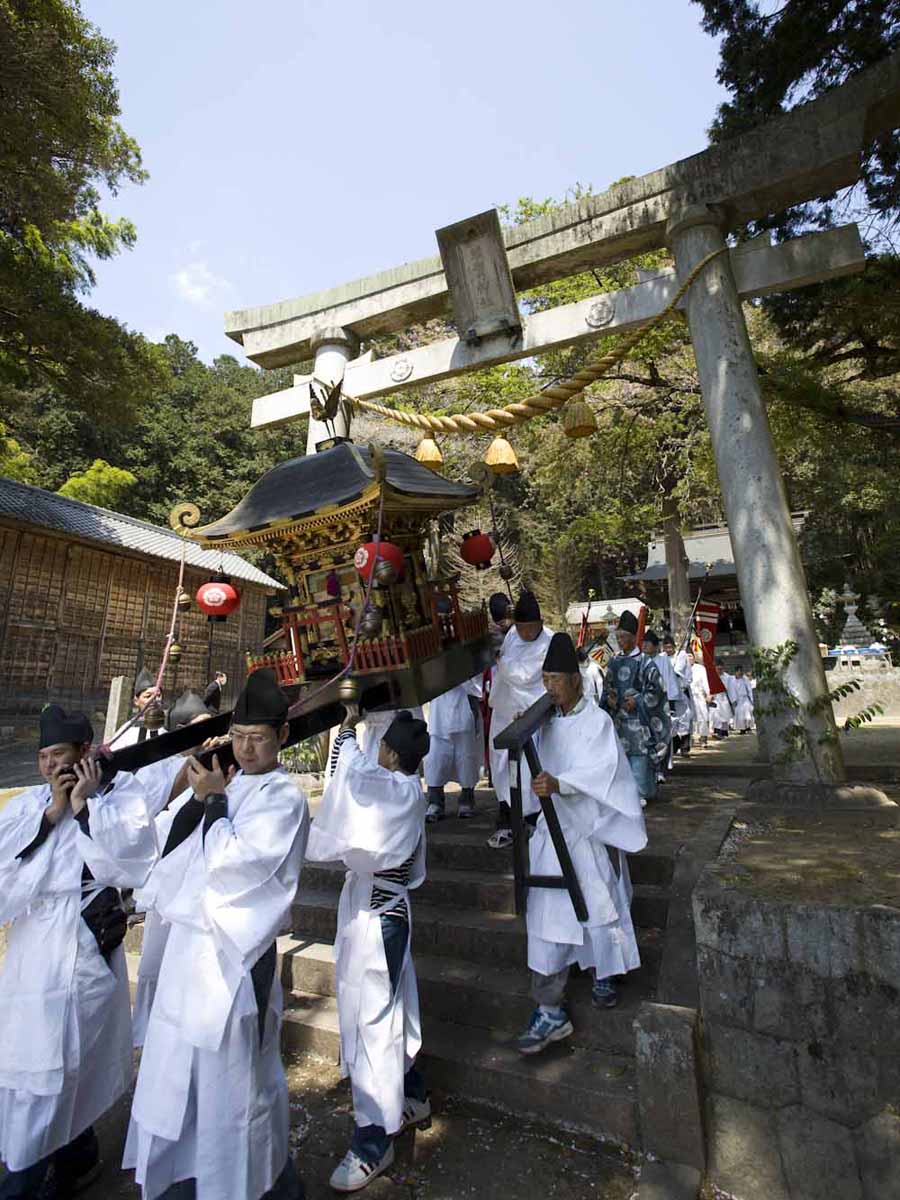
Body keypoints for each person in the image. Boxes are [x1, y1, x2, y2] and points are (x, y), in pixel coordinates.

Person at [123, 669, 309, 1200]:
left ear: (283, 739)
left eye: (259, 739)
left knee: (236, 1087)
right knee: (182, 1076)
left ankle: (261, 1185)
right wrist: (196, 792)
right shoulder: (225, 782)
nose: (247, 750)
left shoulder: (283, 797)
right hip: (189, 953)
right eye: (241, 737)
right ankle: (191, 1177)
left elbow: (237, 864)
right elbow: (166, 851)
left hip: (234, 958)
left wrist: (211, 802)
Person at [0, 706, 157, 1199]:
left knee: (57, 1070)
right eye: (44, 756)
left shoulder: (119, 794)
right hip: (30, 953)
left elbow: (131, 865)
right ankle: (77, 1154)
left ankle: (20, 1183)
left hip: (81, 949)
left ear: (85, 754)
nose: (49, 766)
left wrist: (88, 807)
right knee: (30, 1068)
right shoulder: (27, 806)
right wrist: (52, 815)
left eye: (60, 755)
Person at [307, 709, 431, 1192]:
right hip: (379, 911)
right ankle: (414, 1094)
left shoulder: (397, 791)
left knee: (371, 1022)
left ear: (392, 754)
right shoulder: (405, 789)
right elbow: (361, 775)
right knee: (395, 1008)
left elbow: (355, 774)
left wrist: (343, 731)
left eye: (382, 745)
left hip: (380, 919)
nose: (375, 751)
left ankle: (373, 1140)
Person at [516, 633, 647, 1053]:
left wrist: (563, 784)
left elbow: (604, 772)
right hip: (551, 833)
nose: (550, 687)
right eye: (545, 679)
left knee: (597, 904)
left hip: (587, 829)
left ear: (576, 680)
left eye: (556, 678)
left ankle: (605, 973)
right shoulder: (546, 721)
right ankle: (550, 1009)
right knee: (548, 919)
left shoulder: (597, 722)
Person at [487, 591, 553, 849]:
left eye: (531, 629)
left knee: (532, 768)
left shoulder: (549, 640)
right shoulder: (512, 636)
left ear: (540, 623)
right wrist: (501, 660)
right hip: (505, 712)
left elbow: (524, 675)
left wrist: (501, 662)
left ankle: (535, 820)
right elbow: (505, 672)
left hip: (534, 714)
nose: (526, 634)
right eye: (522, 628)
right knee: (503, 767)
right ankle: (507, 819)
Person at [599, 611, 669, 805]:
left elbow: (656, 690)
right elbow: (608, 687)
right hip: (618, 719)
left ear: (633, 637)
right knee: (620, 757)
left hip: (639, 721)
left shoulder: (645, 662)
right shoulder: (613, 661)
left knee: (639, 756)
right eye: (618, 637)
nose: (620, 641)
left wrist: (637, 701)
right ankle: (624, 795)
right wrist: (609, 699)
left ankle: (641, 792)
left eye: (624, 637)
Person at [424, 675, 484, 821]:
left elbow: (475, 686)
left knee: (466, 757)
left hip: (464, 706)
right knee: (435, 758)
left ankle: (467, 800)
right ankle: (435, 802)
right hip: (439, 711)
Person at [112, 668, 165, 747]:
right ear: (136, 701)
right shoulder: (128, 731)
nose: (154, 700)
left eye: (158, 696)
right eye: (148, 696)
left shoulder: (167, 728)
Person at [663, 635, 694, 757]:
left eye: (670, 647)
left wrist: (673, 671)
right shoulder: (663, 658)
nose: (668, 650)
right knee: (672, 721)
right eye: (666, 648)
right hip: (669, 695)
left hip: (681, 692)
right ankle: (675, 745)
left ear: (674, 647)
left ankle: (685, 747)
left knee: (684, 719)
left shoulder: (681, 655)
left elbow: (679, 671)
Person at [688, 652, 712, 747]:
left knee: (703, 717)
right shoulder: (680, 668)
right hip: (687, 697)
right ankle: (690, 739)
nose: (688, 658)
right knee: (689, 719)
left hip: (699, 696)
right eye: (686, 656)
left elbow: (705, 682)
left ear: (694, 657)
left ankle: (703, 738)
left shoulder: (700, 669)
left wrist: (708, 694)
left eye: (690, 656)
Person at [730, 664, 755, 733]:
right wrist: (734, 700)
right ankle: (742, 729)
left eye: (741, 671)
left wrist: (751, 699)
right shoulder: (733, 680)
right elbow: (732, 691)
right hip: (738, 700)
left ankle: (748, 727)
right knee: (740, 715)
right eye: (738, 671)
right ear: (736, 672)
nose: (740, 672)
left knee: (748, 714)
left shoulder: (745, 679)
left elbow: (749, 689)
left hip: (745, 699)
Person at [711, 664, 734, 738]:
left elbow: (731, 688)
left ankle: (724, 732)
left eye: (721, 669)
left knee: (725, 716)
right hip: (715, 697)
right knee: (716, 716)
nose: (719, 670)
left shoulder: (727, 677)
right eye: (718, 669)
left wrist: (733, 700)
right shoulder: (712, 677)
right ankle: (718, 732)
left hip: (724, 697)